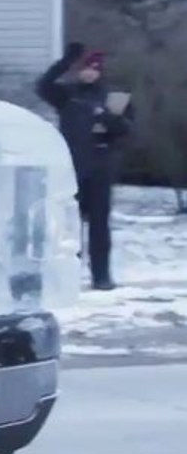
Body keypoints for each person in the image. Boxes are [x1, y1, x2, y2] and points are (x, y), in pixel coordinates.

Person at [36, 42, 134, 290]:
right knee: (70, 225)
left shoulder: (113, 98)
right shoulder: (68, 95)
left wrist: (107, 118)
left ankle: (101, 276)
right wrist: (65, 61)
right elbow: (42, 86)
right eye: (84, 68)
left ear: (100, 71)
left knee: (99, 225)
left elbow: (125, 129)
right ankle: (69, 276)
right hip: (72, 168)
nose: (89, 72)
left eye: (94, 68)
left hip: (101, 167)